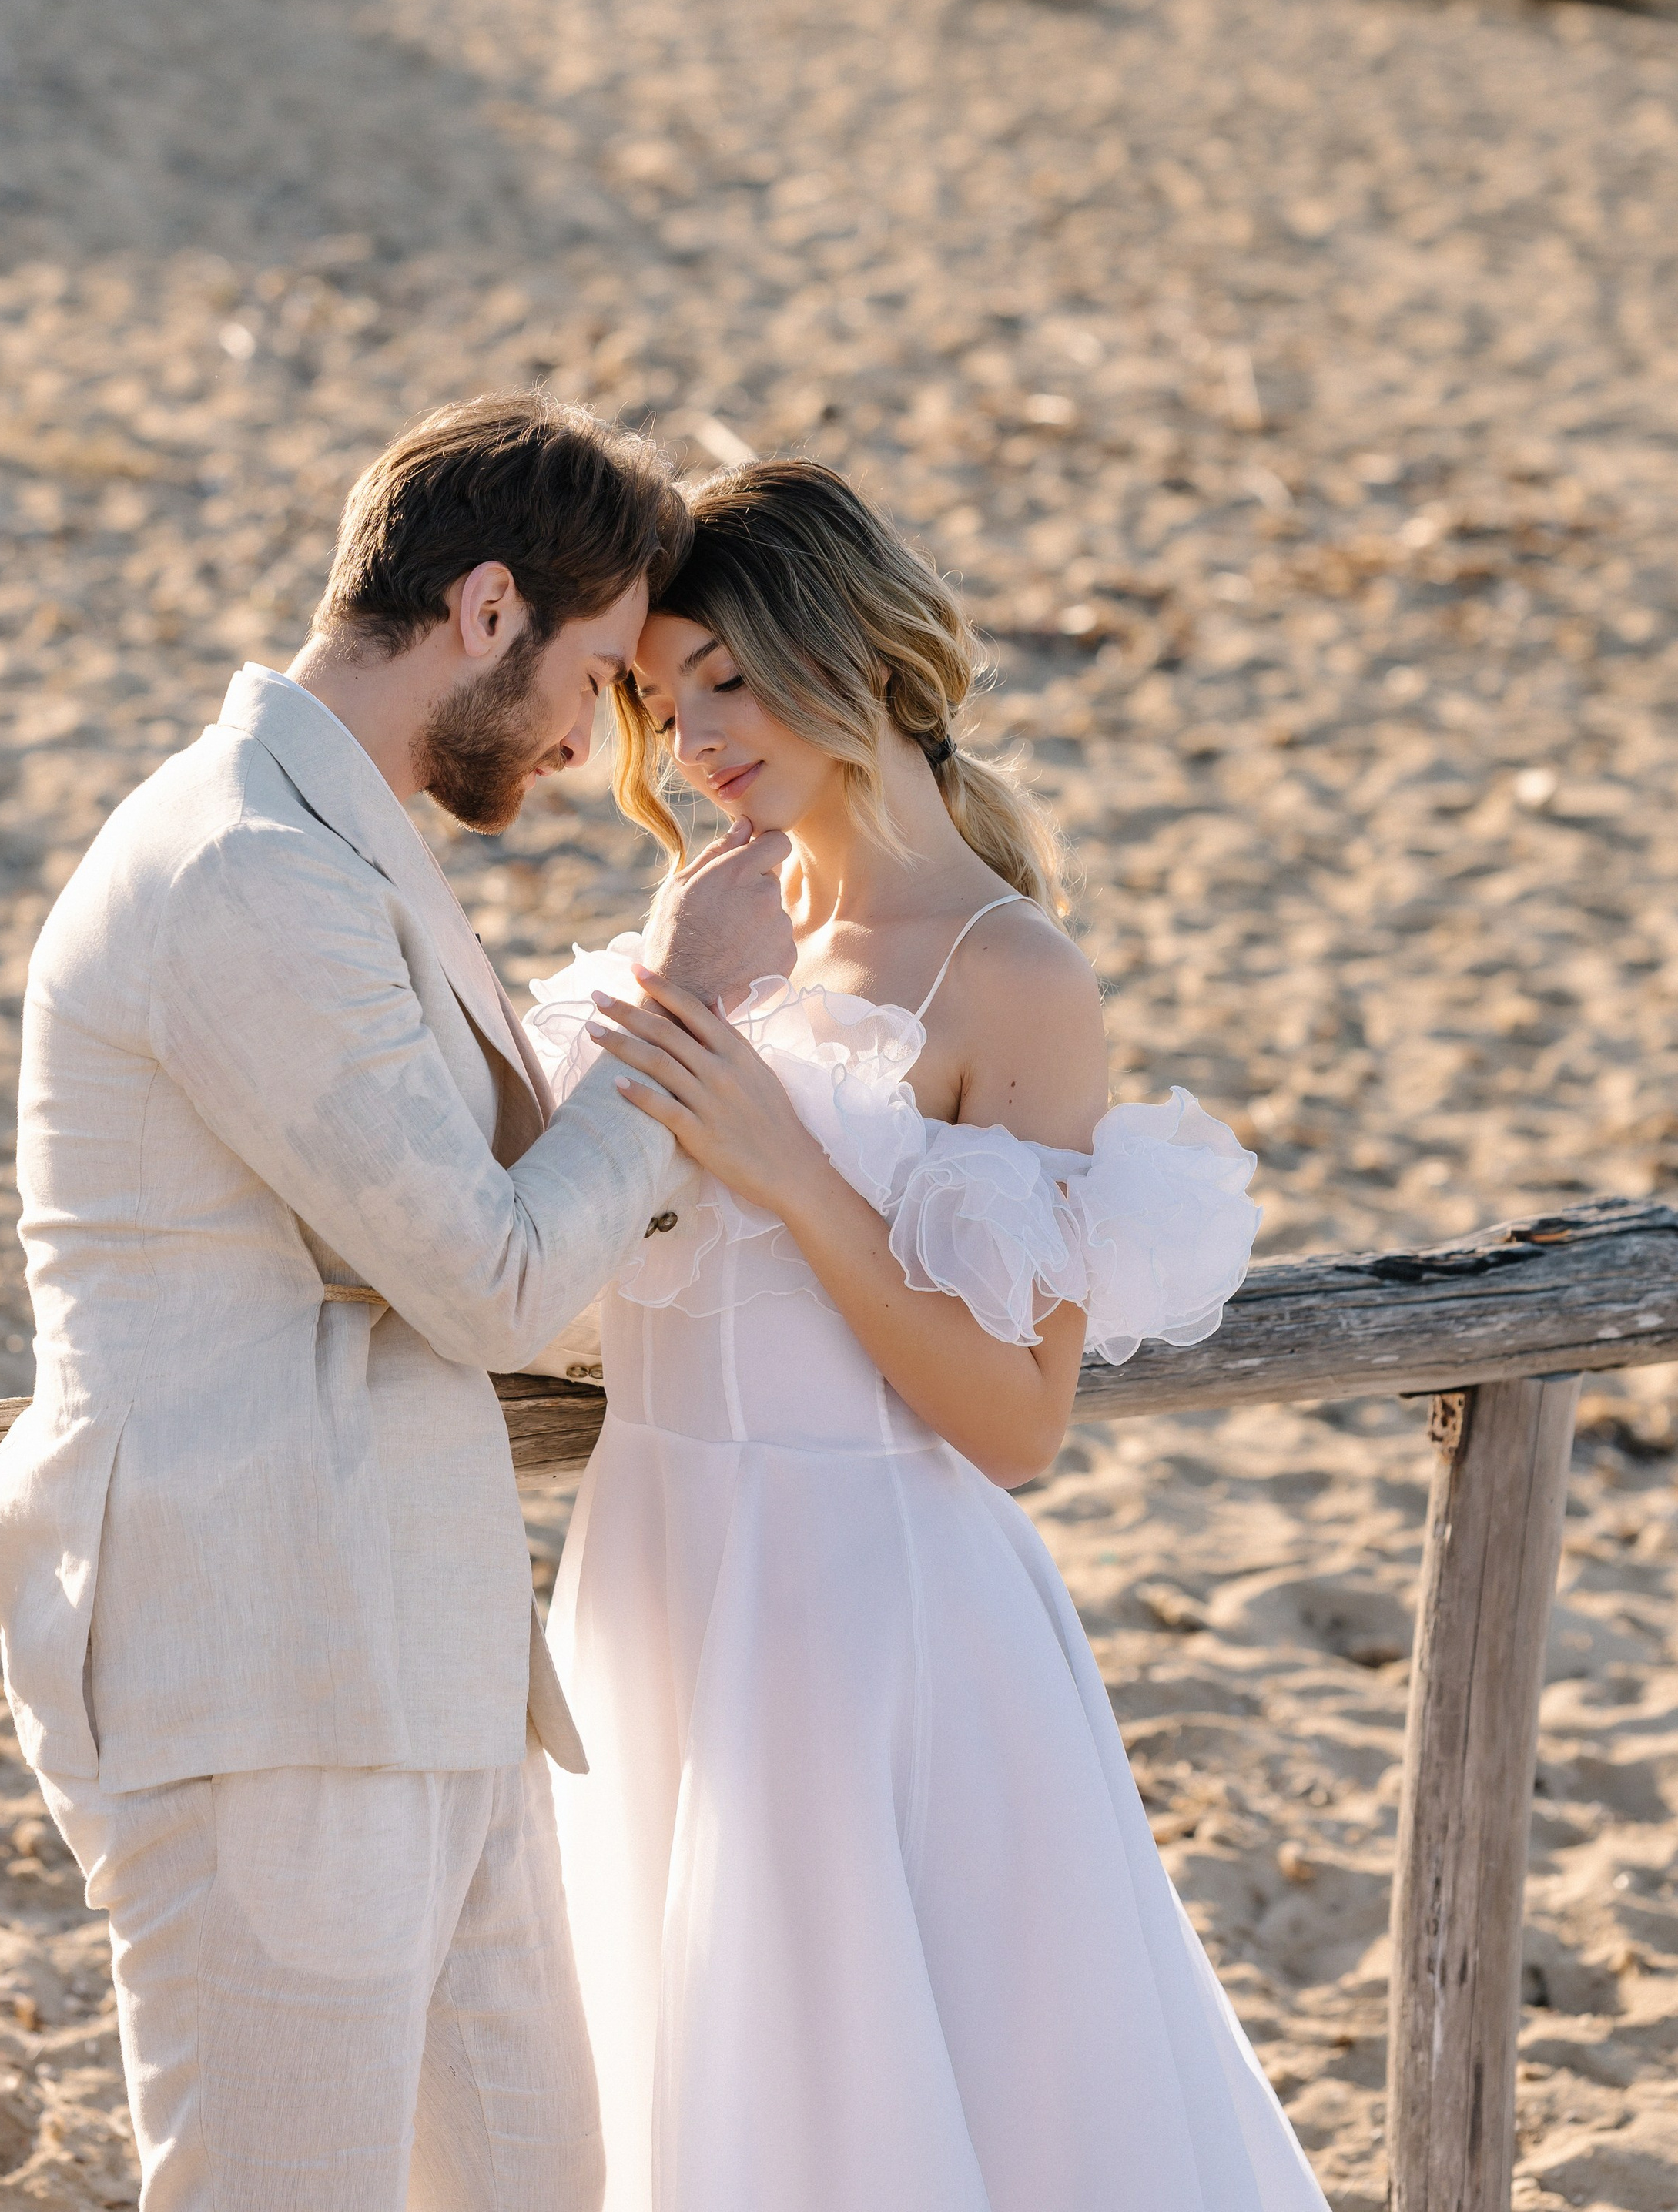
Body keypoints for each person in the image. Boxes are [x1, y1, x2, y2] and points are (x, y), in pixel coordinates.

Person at [0, 394, 795, 2212]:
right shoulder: (241, 869)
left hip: (419, 1663)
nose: (595, 743)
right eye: (594, 677)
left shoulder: (337, 837)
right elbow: (491, 1278)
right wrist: (689, 1015)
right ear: (485, 612)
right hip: (258, 1661)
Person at [525, 460, 1328, 2212]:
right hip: (648, 1571)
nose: (695, 737)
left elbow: (1014, 1421)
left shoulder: (1007, 973)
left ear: (847, 650)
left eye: (729, 676)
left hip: (860, 1611)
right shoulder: (712, 928)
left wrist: (785, 1169)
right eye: (662, 703)